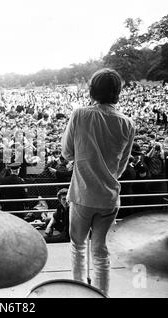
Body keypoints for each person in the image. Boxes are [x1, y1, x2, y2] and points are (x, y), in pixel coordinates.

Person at [61, 68, 135, 295]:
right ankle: (102, 295)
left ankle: (81, 293)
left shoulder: (80, 114)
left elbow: (66, 152)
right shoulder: (128, 123)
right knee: (102, 253)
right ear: (117, 92)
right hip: (110, 197)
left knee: (78, 247)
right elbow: (121, 167)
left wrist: (84, 157)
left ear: (92, 89)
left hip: (83, 195)